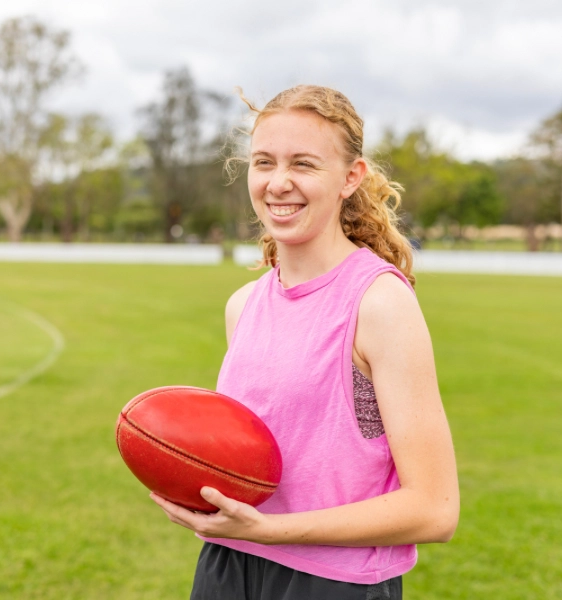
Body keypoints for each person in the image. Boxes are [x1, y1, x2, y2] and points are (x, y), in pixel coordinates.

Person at [150, 85, 460, 600]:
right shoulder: (243, 305)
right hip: (227, 566)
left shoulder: (378, 304)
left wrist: (269, 531)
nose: (278, 183)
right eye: (264, 162)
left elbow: (434, 508)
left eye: (304, 164)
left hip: (334, 583)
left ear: (350, 177)